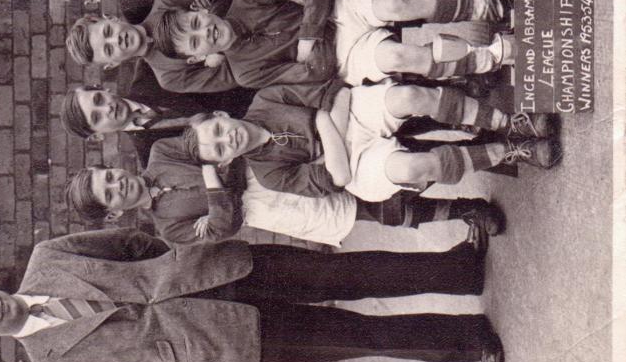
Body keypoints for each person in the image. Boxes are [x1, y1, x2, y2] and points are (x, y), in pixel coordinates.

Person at [0, 227, 506, 362]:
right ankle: (466, 339)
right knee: (359, 336)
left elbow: (133, 243)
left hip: (221, 272)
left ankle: (457, 270)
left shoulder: (48, 257)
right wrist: (183, 351)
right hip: (226, 347)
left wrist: (170, 273)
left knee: (344, 274)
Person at [181, 78, 562, 205]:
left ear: (220, 116)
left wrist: (327, 131)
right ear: (227, 162)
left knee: (409, 97)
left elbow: (338, 92)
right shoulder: (268, 175)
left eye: (216, 132)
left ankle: (511, 121)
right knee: (413, 167)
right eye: (219, 150)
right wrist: (319, 119)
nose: (225, 139)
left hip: (353, 118)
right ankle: (508, 151)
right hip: (358, 161)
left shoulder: (265, 99)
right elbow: (339, 180)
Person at [144, 0, 514, 93]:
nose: (204, 32)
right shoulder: (246, 71)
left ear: (200, 10)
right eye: (195, 42)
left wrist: (307, 37)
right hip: (344, 55)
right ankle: (494, 55)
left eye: (195, 23)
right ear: (196, 58)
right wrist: (309, 19)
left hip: (341, 8)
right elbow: (315, 74)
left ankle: (489, 9)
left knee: (396, 6)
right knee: (398, 58)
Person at [66, 151, 504, 248]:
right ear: (115, 211)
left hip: (276, 170)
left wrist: (217, 180)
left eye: (110, 176)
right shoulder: (169, 228)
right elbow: (225, 227)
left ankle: (478, 158)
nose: (118, 183)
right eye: (110, 193)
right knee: (386, 213)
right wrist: (217, 181)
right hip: (274, 209)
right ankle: (470, 209)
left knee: (373, 171)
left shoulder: (163, 154)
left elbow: (221, 155)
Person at [60, 83, 254, 163]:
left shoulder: (150, 73)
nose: (107, 108)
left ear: (102, 89)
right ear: (97, 135)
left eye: (99, 100)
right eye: (97, 117)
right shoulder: (153, 155)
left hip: (261, 92)